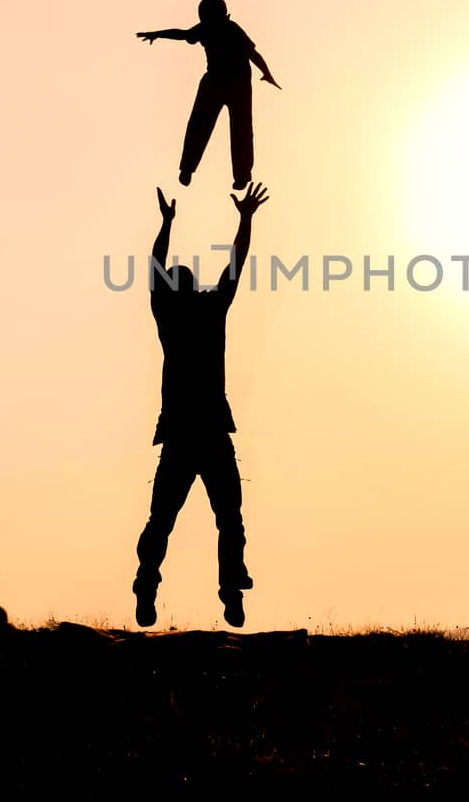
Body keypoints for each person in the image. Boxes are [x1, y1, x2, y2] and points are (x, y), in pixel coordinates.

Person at [133, 181, 269, 628]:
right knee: (225, 517)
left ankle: (153, 584)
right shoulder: (207, 311)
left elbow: (156, 267)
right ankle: (225, 586)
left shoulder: (169, 315)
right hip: (204, 432)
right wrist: (245, 219)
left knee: (170, 519)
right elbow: (236, 262)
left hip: (186, 433)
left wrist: (166, 225)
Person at [137, 0, 281, 190]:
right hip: (216, 81)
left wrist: (267, 73)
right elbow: (183, 34)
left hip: (237, 84)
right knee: (200, 125)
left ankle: (240, 174)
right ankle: (189, 168)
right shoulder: (207, 27)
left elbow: (252, 54)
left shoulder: (232, 29)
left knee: (240, 129)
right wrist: (158, 34)